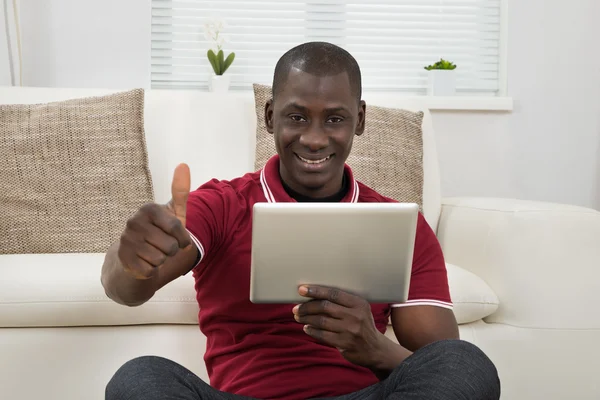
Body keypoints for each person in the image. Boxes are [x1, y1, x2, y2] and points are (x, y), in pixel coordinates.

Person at [102, 42, 500, 400]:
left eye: (334, 119)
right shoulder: (222, 204)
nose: (313, 139)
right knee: (139, 379)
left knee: (466, 363)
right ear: (270, 116)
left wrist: (371, 346)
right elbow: (126, 291)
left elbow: (443, 364)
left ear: (359, 120)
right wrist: (131, 259)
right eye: (296, 117)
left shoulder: (404, 227)